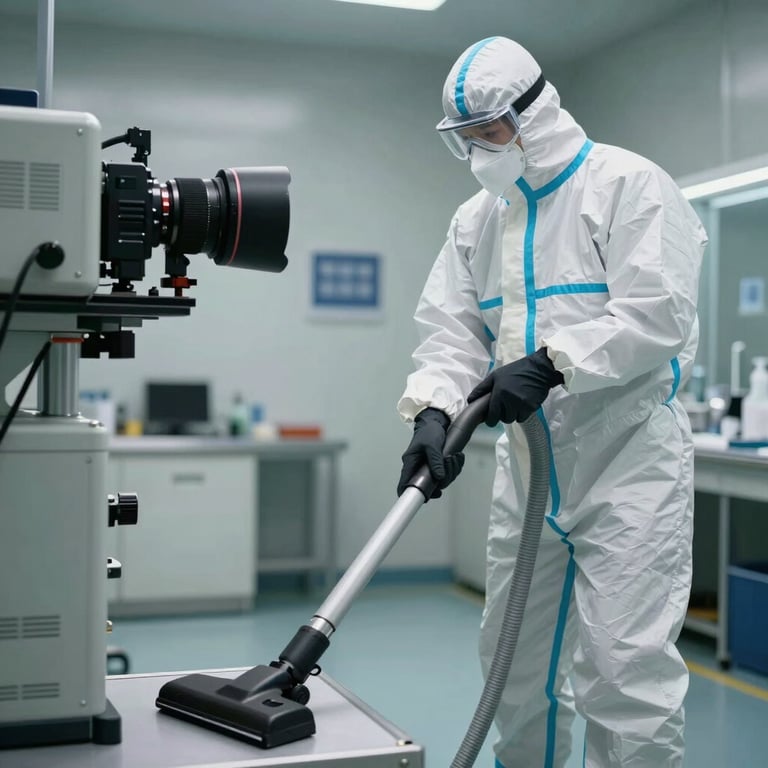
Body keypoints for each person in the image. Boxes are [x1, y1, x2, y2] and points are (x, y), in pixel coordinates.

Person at [396, 36, 707, 768]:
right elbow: (449, 332)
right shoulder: (476, 220)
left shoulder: (626, 185)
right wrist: (434, 410)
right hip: (530, 476)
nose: (480, 151)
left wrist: (551, 363)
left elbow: (658, 313)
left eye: (491, 133)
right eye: (467, 140)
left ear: (536, 116)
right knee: (512, 668)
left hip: (628, 469)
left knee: (623, 675)